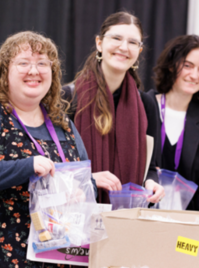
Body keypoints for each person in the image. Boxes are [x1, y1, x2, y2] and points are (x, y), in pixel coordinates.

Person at [0, 31, 92, 268]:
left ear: (53, 74)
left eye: (42, 63)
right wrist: (26, 167)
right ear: (5, 72)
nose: (34, 71)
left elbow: (82, 179)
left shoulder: (62, 123)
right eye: (23, 63)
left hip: (59, 264)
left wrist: (81, 190)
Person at [63, 11, 164, 203]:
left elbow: (151, 167)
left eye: (133, 42)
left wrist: (152, 183)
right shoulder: (68, 98)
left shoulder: (147, 104)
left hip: (127, 218)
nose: (124, 47)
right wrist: (90, 179)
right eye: (116, 38)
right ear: (99, 43)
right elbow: (54, 166)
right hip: (78, 216)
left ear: (139, 51)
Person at [146, 35, 199, 212]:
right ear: (171, 64)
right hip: (141, 215)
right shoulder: (142, 106)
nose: (194, 75)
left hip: (185, 222)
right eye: (187, 65)